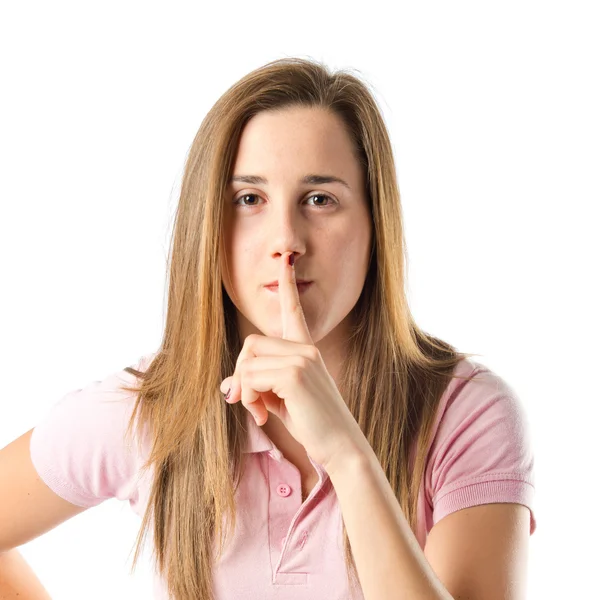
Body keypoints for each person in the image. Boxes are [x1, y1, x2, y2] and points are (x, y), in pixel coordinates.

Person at [1, 57, 536, 600]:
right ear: (210, 224)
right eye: (250, 199)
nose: (287, 239)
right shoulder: (148, 411)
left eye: (320, 200)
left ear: (376, 225)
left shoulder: (466, 414)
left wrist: (348, 456)